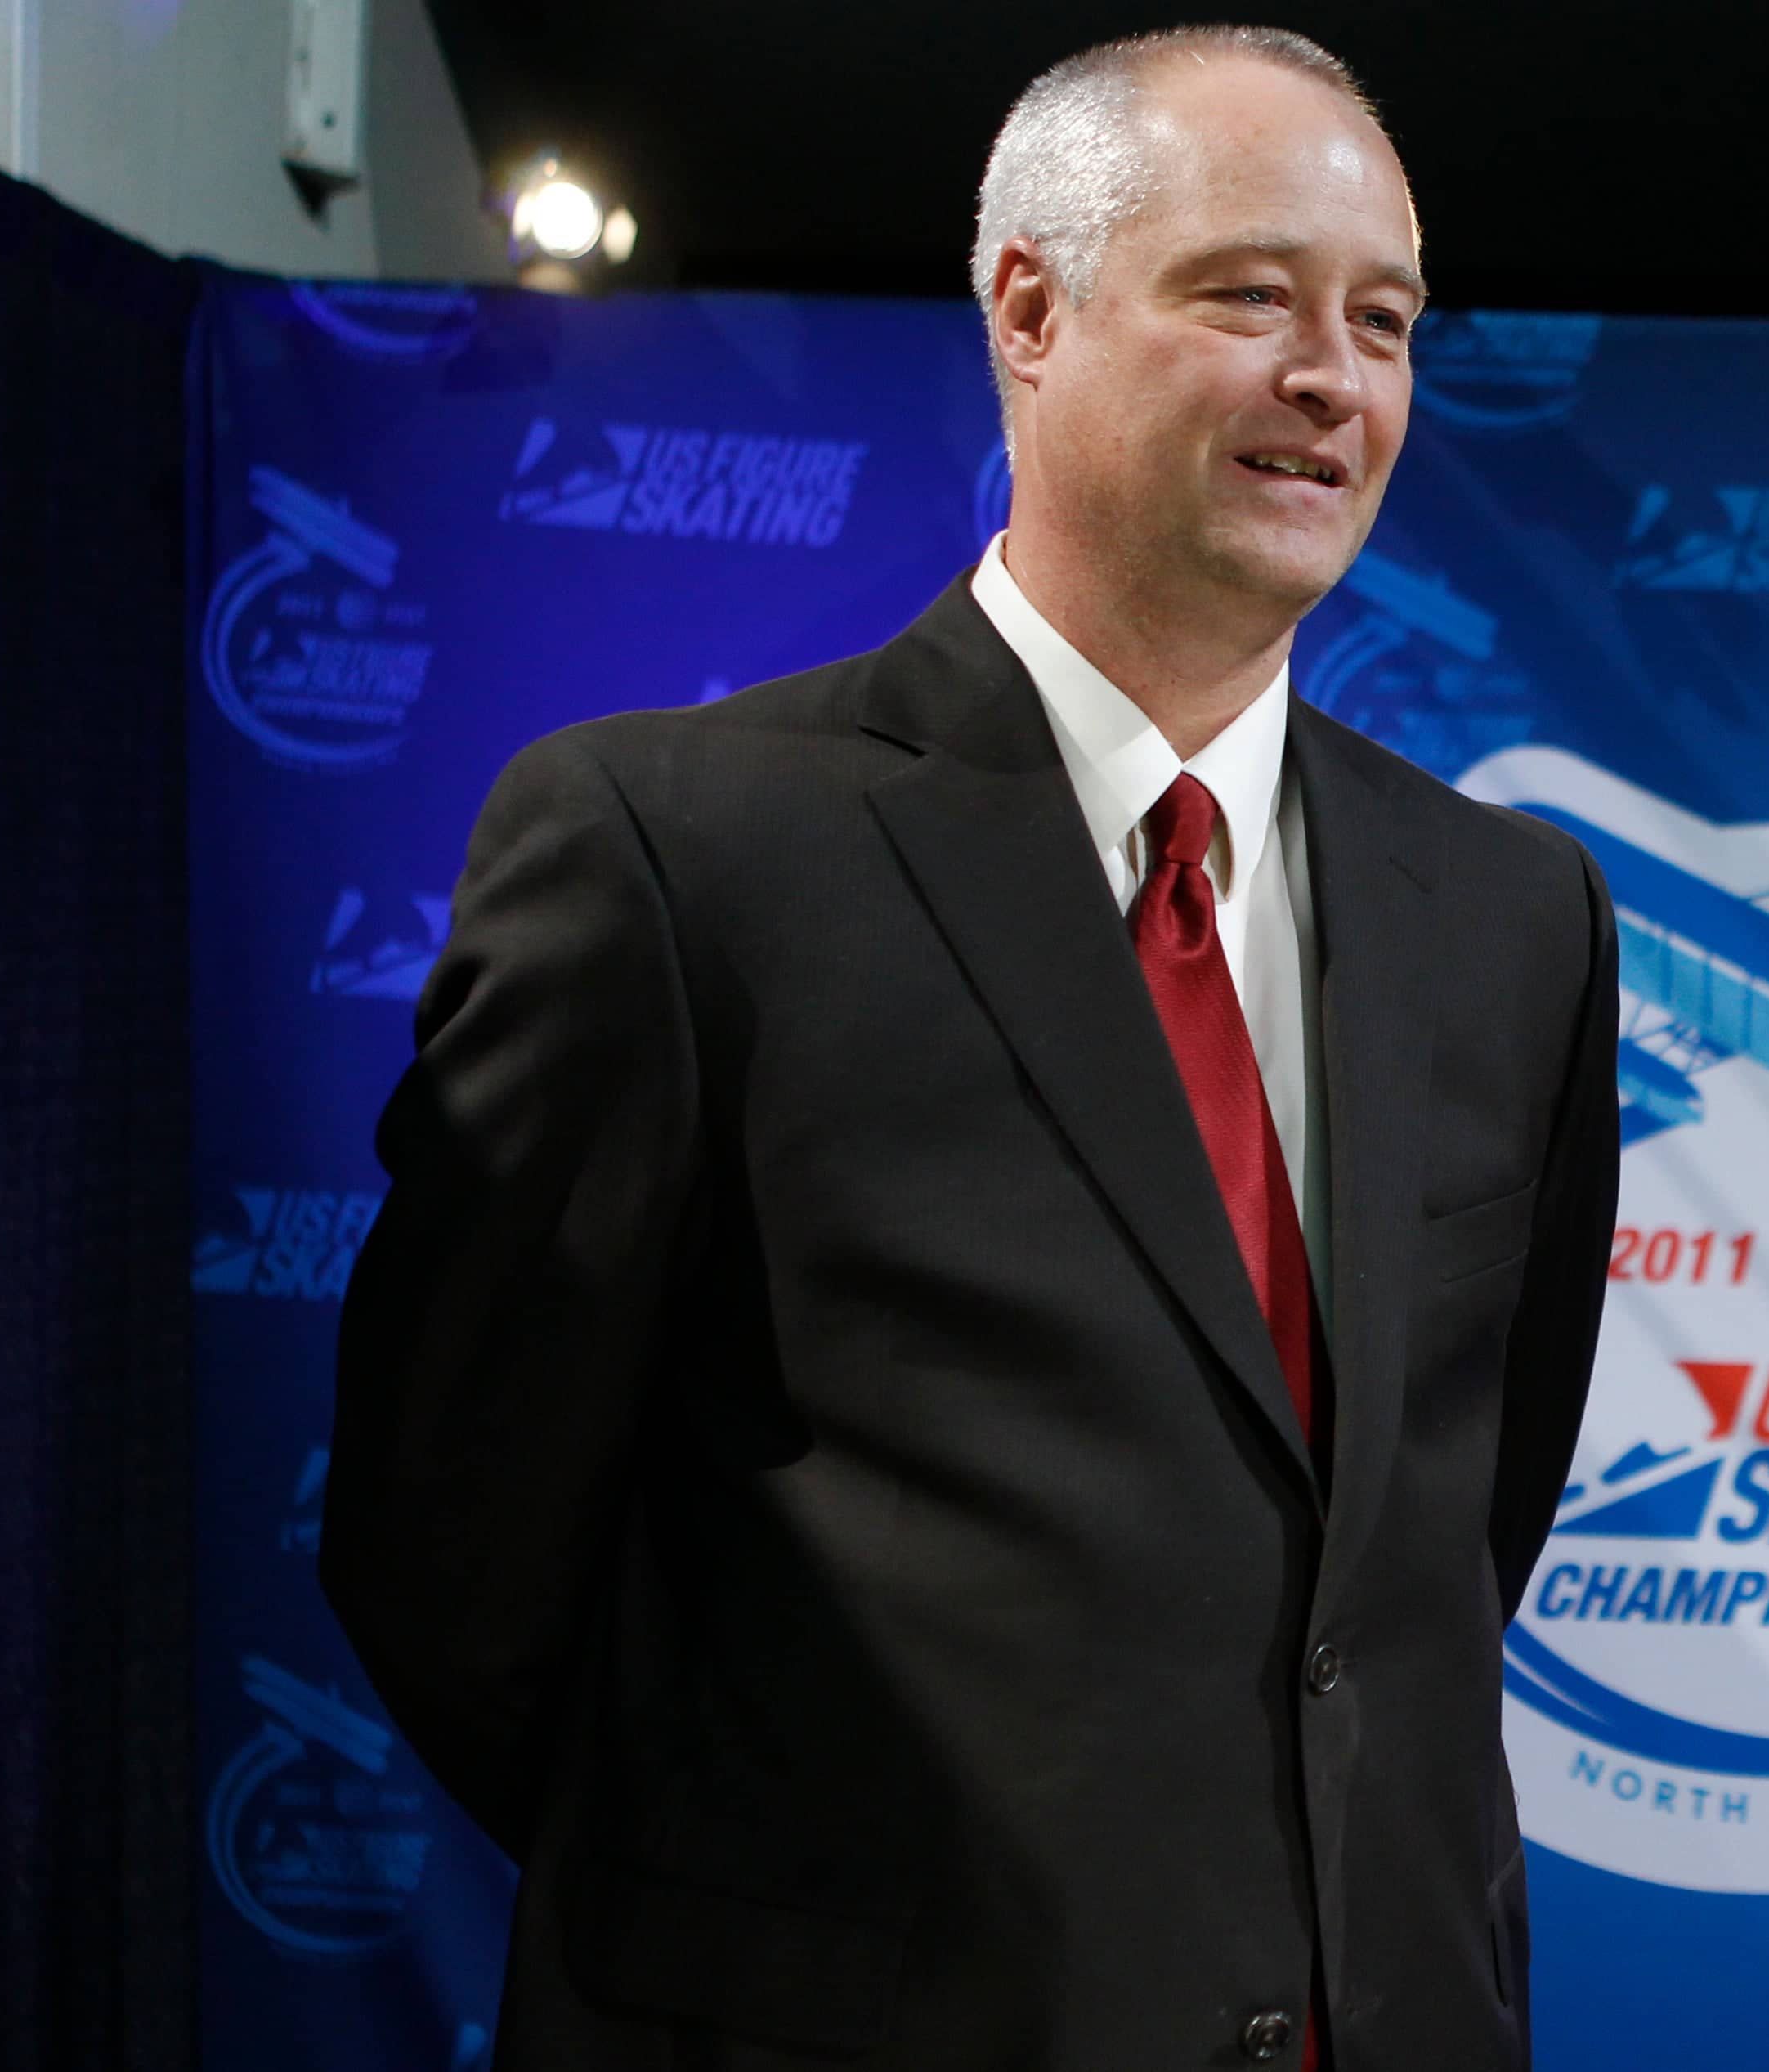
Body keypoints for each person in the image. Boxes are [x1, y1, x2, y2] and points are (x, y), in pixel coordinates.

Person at [321, 27, 1619, 2069]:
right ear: (1032, 304)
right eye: (1250, 295)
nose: (1335, 379)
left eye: (1384, 321)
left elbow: (1437, 1543)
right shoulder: (672, 852)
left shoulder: (1517, 915)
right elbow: (449, 1545)